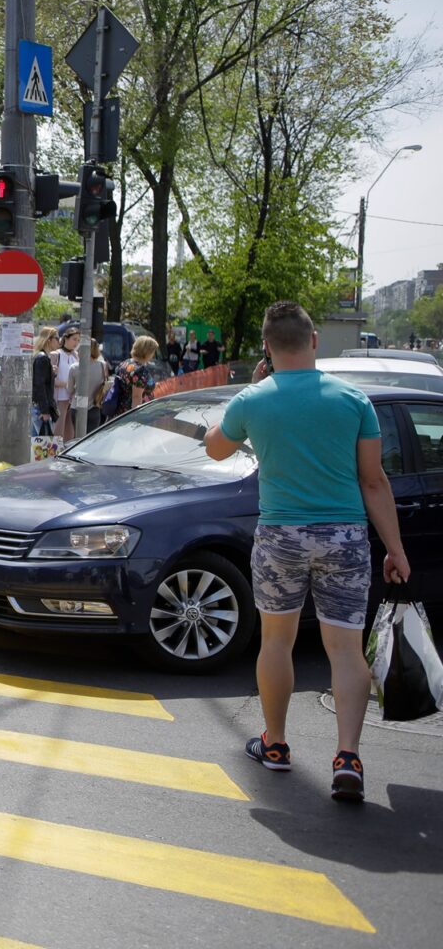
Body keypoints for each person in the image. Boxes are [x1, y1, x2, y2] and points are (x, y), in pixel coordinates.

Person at [205, 301, 410, 803]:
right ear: (314, 340)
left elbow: (215, 448)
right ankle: (348, 756)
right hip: (344, 535)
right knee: (344, 646)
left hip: (280, 536)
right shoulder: (353, 400)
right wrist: (396, 549)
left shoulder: (254, 398)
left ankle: (275, 745)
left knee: (276, 642)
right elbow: (373, 480)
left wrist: (249, 392)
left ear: (268, 348)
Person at [109, 336, 161, 415]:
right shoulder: (140, 370)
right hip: (135, 416)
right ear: (146, 352)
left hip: (121, 412)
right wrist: (136, 419)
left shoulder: (125, 363)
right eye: (152, 352)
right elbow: (136, 397)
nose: (153, 355)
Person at [54, 326, 81, 441]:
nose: (76, 342)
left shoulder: (76, 355)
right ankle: (55, 451)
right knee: (59, 427)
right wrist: (68, 384)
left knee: (71, 428)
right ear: (66, 338)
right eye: (74, 339)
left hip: (73, 397)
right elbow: (53, 379)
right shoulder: (57, 354)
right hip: (60, 396)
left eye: (78, 340)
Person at [31, 326, 60, 436]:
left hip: (37, 406)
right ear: (49, 340)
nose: (59, 341)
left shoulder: (40, 356)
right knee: (44, 445)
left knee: (36, 444)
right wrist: (45, 411)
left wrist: (52, 374)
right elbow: (40, 385)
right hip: (40, 408)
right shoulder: (42, 358)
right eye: (57, 338)